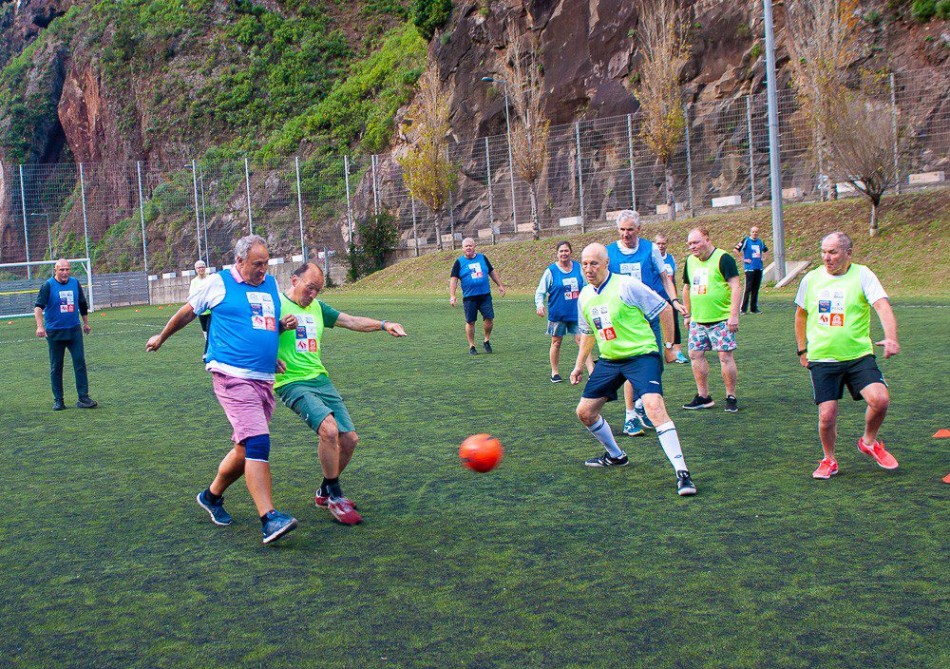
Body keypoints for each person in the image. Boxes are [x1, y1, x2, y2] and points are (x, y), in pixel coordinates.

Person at [146, 234, 299, 544]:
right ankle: (269, 518)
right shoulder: (218, 283)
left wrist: (276, 341)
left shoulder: (269, 286)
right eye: (257, 263)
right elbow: (187, 313)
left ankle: (211, 496)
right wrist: (161, 337)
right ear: (239, 261)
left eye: (266, 263)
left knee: (245, 449)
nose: (263, 269)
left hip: (262, 378)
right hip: (231, 375)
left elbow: (263, 324)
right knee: (258, 440)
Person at [275, 263, 407, 525]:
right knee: (329, 431)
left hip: (320, 379)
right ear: (294, 280)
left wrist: (384, 324)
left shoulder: (319, 308)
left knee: (350, 440)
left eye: (318, 290)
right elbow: (253, 336)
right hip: (291, 381)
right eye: (309, 288)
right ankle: (336, 496)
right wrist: (278, 327)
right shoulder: (275, 304)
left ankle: (325, 490)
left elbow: (350, 320)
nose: (313, 294)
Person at [569, 243, 697, 496]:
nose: (588, 268)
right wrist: (578, 364)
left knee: (653, 406)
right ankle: (616, 456)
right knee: (585, 412)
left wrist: (670, 346)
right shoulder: (584, 295)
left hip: (641, 355)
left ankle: (683, 473)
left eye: (594, 263)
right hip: (610, 359)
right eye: (584, 264)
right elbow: (588, 333)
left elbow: (665, 309)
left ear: (606, 263)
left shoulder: (626, 285)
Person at [794, 231, 900, 479]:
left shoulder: (863, 274)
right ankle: (829, 459)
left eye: (832, 252)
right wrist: (802, 348)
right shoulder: (811, 279)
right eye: (823, 252)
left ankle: (869, 442)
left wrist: (891, 337)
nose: (826, 257)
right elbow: (801, 314)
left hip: (858, 356)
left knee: (880, 399)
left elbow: (882, 305)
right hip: (822, 358)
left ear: (848, 253)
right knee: (827, 415)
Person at [606, 210, 687, 436]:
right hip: (625, 320)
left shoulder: (650, 249)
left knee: (656, 364)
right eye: (622, 230)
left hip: (649, 315)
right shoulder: (610, 253)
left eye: (630, 229)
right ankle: (630, 416)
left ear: (638, 229)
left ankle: (641, 405)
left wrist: (674, 301)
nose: (626, 234)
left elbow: (664, 277)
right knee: (634, 366)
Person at [681, 227, 742, 412]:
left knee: (725, 357)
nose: (693, 247)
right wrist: (688, 314)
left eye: (696, 242)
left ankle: (731, 396)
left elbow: (736, 286)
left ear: (707, 239)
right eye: (690, 243)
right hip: (698, 320)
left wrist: (733, 315)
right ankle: (703, 396)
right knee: (695, 355)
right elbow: (686, 287)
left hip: (721, 319)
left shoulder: (724, 258)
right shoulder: (690, 261)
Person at [34, 258, 97, 411]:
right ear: (55, 270)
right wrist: (40, 326)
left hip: (74, 330)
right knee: (56, 366)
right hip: (55, 332)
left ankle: (83, 398)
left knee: (79, 362)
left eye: (67, 269)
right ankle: (59, 400)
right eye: (61, 269)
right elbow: (38, 307)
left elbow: (82, 304)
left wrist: (86, 323)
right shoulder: (48, 285)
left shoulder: (75, 283)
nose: (65, 272)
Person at [534, 241, 593, 382]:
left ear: (571, 252)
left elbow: (587, 286)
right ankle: (555, 372)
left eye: (566, 251)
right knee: (556, 342)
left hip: (577, 313)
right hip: (558, 313)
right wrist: (539, 305)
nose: (564, 254)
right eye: (561, 251)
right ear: (557, 253)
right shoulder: (551, 271)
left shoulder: (579, 268)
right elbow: (540, 291)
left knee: (583, 340)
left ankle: (592, 372)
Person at [449, 237, 506, 355]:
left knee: (489, 319)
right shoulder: (459, 262)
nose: (469, 247)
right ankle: (472, 346)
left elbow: (492, 272)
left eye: (471, 245)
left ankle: (486, 340)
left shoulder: (483, 258)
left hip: (485, 295)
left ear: (474, 247)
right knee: (470, 322)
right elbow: (453, 280)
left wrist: (500, 285)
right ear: (462, 248)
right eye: (466, 246)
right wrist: (452, 295)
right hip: (470, 297)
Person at [654, 233, 690, 364]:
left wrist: (675, 297)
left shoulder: (670, 258)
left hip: (670, 298)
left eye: (663, 243)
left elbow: (672, 278)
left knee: (674, 324)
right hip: (656, 298)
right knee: (654, 325)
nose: (661, 246)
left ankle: (677, 352)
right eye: (658, 243)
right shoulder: (652, 258)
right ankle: (655, 353)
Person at [734, 226, 769, 314]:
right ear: (750, 232)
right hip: (749, 269)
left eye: (756, 232)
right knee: (748, 288)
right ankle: (743, 309)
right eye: (753, 232)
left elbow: (766, 250)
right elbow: (736, 250)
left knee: (756, 289)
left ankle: (754, 309)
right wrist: (743, 259)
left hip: (758, 268)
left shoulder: (760, 242)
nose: (755, 233)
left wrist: (764, 258)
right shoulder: (746, 240)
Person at [188, 260, 213, 360]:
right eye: (199, 267)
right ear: (196, 269)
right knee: (206, 333)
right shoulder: (194, 282)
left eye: (202, 267)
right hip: (201, 312)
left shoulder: (210, 279)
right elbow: (192, 296)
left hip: (212, 310)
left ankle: (206, 353)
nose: (201, 269)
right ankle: (211, 349)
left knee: (210, 331)